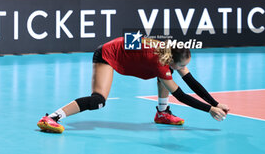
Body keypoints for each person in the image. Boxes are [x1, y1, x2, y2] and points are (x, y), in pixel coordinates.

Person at [37, 37, 230, 133]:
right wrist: (209, 110)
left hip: (126, 52)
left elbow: (190, 81)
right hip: (106, 54)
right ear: (172, 59)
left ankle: (163, 114)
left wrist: (215, 103)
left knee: (166, 76)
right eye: (183, 66)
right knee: (98, 101)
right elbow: (181, 95)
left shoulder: (169, 53)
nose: (185, 69)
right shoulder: (160, 62)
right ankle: (51, 117)